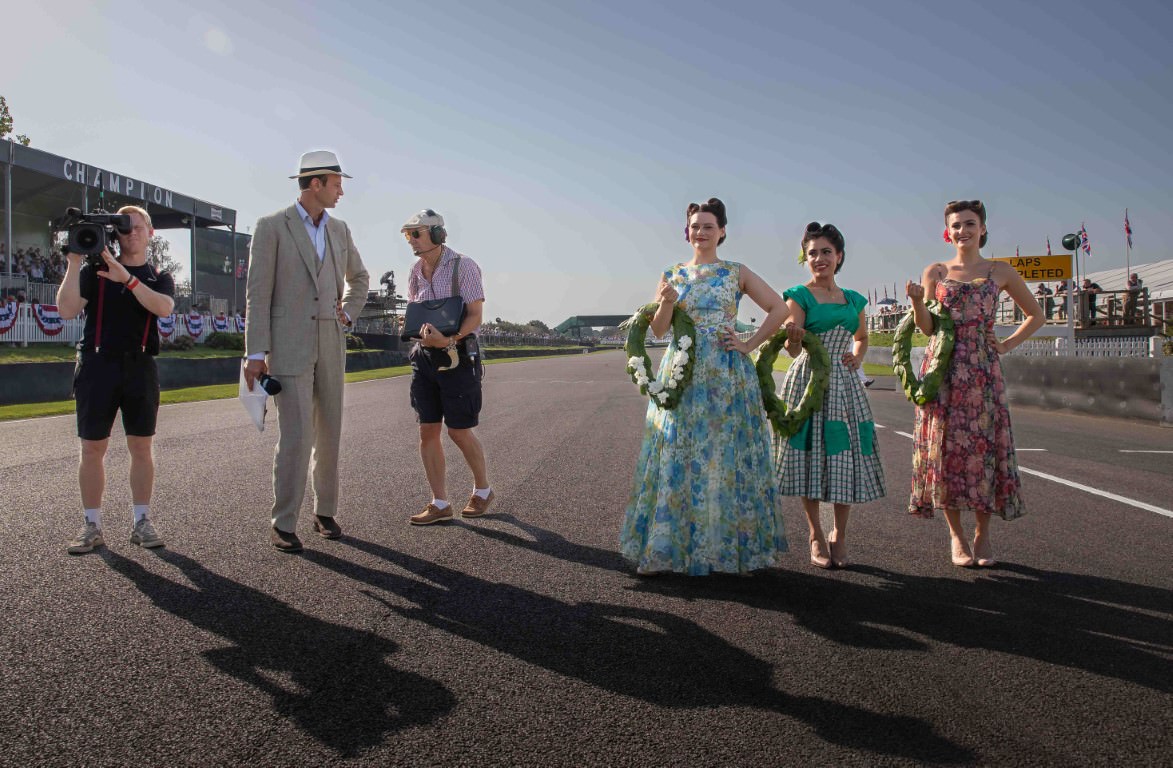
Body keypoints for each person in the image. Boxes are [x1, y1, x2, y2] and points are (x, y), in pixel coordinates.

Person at [621, 198, 790, 575]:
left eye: (708, 226)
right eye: (695, 226)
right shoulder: (672, 273)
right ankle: (668, 549)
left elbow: (779, 309)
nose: (701, 232)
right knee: (678, 450)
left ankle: (725, 549)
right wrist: (666, 303)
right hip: (682, 373)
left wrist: (749, 344)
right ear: (687, 231)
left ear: (722, 231)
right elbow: (659, 330)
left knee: (725, 455)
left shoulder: (736, 272)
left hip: (726, 374)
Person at [906, 200, 1044, 567]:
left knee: (984, 450)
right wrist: (918, 302)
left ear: (982, 229)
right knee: (946, 450)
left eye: (970, 224)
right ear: (946, 232)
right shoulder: (935, 271)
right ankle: (956, 535)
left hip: (983, 370)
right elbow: (927, 327)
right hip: (943, 369)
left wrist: (1007, 344)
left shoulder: (1001, 271)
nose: (962, 231)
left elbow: (1036, 314)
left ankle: (983, 533)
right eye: (956, 225)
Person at [244, 150, 370, 553]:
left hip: (331, 342)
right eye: (337, 184)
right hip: (289, 345)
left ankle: (324, 511)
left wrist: (348, 313)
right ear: (315, 184)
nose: (341, 192)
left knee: (330, 432)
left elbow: (360, 278)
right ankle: (283, 522)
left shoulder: (340, 229)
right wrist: (255, 352)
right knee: (296, 437)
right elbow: (258, 294)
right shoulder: (271, 227)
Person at [56, 205, 176, 554]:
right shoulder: (94, 271)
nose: (131, 233)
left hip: (140, 366)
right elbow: (66, 310)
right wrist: (74, 262)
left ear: (150, 233)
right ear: (115, 233)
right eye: (124, 227)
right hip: (97, 365)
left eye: (138, 227)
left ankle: (142, 521)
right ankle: (91, 525)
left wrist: (126, 278)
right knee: (92, 448)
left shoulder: (158, 276)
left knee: (141, 447)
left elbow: (163, 308)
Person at [776, 222, 886, 569]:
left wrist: (857, 355)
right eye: (812, 253)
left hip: (844, 383)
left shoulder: (853, 299)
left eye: (826, 252)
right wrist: (793, 339)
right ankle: (815, 534)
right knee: (809, 456)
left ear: (839, 256)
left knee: (845, 455)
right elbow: (793, 350)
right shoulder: (798, 295)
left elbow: (862, 337)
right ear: (805, 259)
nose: (819, 258)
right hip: (808, 380)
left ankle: (839, 533)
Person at [400, 209, 494, 526]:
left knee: (458, 430)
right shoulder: (415, 271)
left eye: (417, 233)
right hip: (424, 357)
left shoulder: (463, 266)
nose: (411, 240)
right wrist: (411, 327)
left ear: (438, 234)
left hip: (458, 354)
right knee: (427, 430)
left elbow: (475, 315)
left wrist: (449, 339)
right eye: (408, 235)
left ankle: (483, 490)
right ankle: (439, 502)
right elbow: (417, 309)